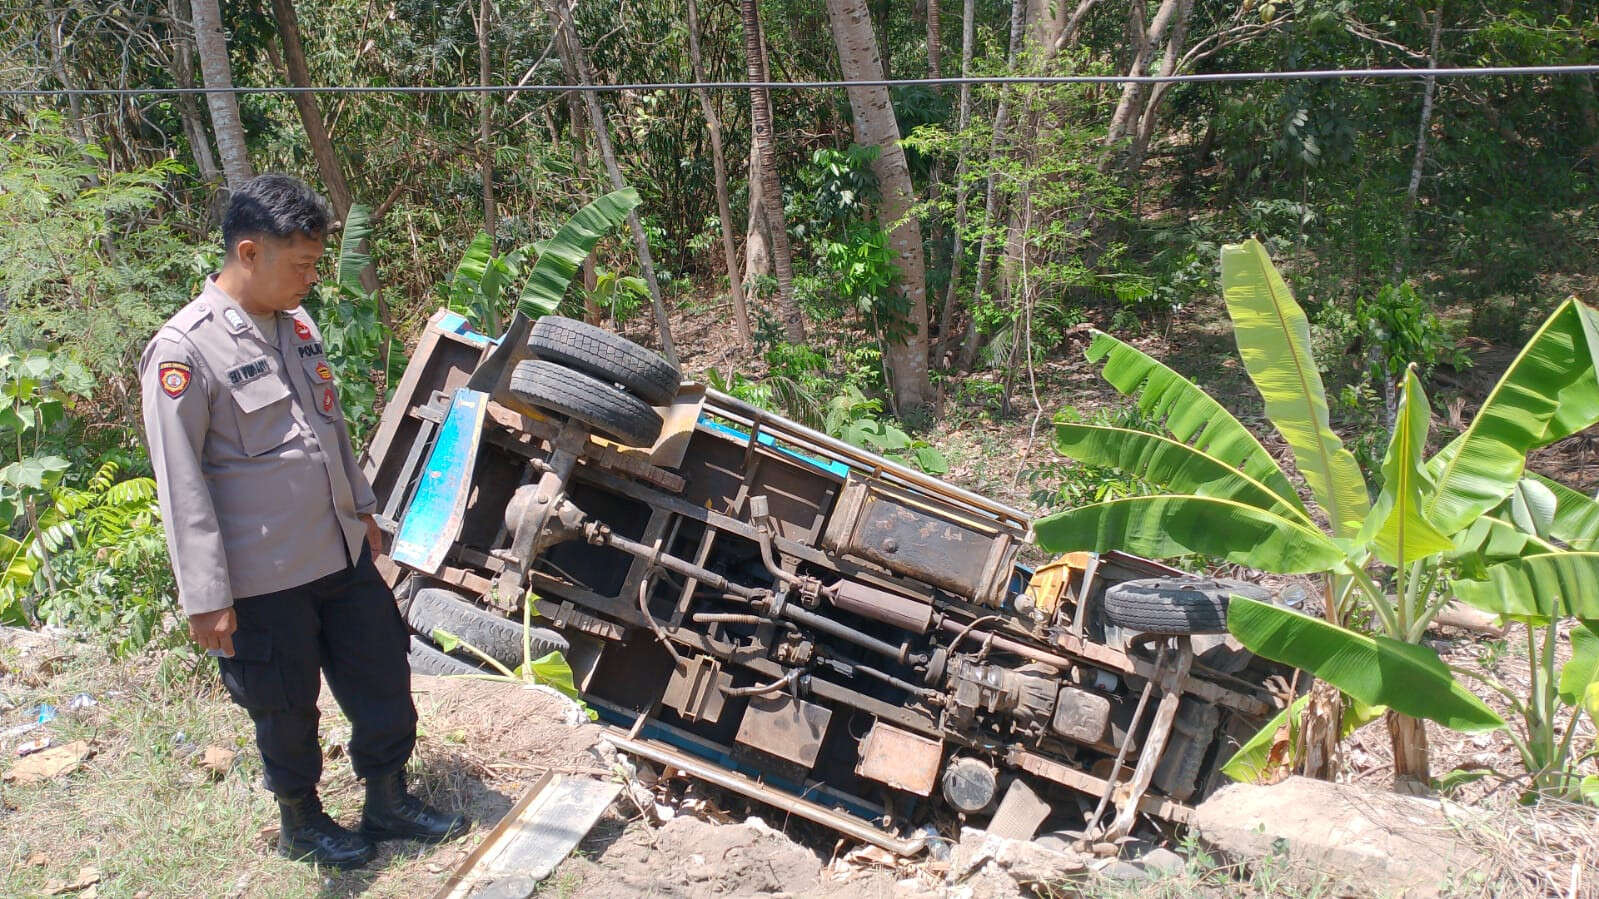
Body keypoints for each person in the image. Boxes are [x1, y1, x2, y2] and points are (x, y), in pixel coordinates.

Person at [140, 174, 467, 869]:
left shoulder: (297, 327)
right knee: (284, 707)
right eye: (302, 266)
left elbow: (330, 430)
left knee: (382, 674)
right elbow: (181, 482)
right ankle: (303, 820)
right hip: (263, 576)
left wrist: (364, 513)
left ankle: (387, 798)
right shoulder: (183, 351)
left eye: (317, 265)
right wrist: (205, 596)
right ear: (250, 253)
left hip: (339, 552)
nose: (312, 281)